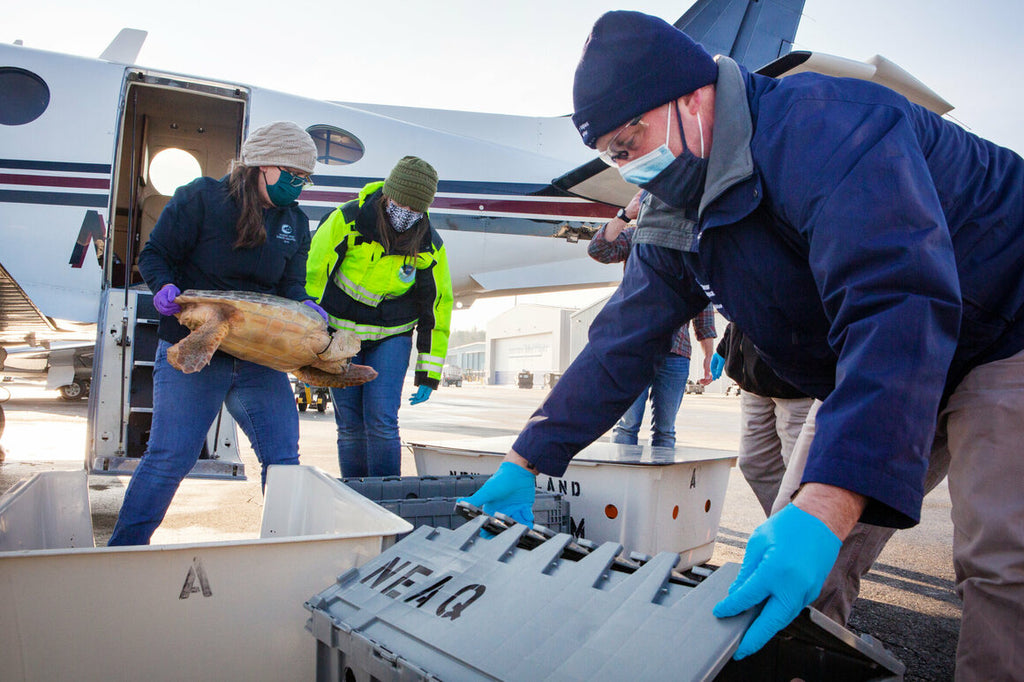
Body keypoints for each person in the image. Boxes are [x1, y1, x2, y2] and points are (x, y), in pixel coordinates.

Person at [463, 11, 1024, 678]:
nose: (630, 165)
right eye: (614, 154)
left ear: (694, 95)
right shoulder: (673, 205)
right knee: (793, 546)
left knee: (998, 553)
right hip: (882, 352)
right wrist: (528, 458)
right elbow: (621, 342)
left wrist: (829, 502)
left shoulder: (827, 128)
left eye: (632, 137)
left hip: (1001, 320)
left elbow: (895, 300)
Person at [109, 121, 322, 546]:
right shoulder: (200, 198)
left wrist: (305, 306)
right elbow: (156, 254)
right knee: (170, 457)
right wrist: (163, 286)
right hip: (196, 346)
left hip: (258, 357)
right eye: (293, 175)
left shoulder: (295, 223)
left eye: (306, 179)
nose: (299, 185)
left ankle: (286, 549)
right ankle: (122, 553)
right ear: (262, 166)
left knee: (283, 460)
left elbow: (292, 286)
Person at [306, 156, 453, 478]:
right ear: (387, 195)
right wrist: (309, 331)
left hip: (391, 337)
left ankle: (387, 499)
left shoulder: (429, 245)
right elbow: (314, 273)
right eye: (400, 204)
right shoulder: (347, 220)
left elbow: (437, 307)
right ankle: (357, 493)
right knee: (350, 425)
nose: (406, 215)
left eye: (415, 210)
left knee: (382, 421)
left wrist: (429, 371)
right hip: (342, 337)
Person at [588, 190, 716, 448]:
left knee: (666, 431)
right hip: (635, 347)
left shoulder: (689, 239)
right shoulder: (637, 236)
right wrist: (625, 215)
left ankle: (659, 487)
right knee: (627, 427)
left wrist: (708, 355)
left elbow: (702, 305)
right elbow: (598, 249)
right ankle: (624, 487)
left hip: (676, 352)